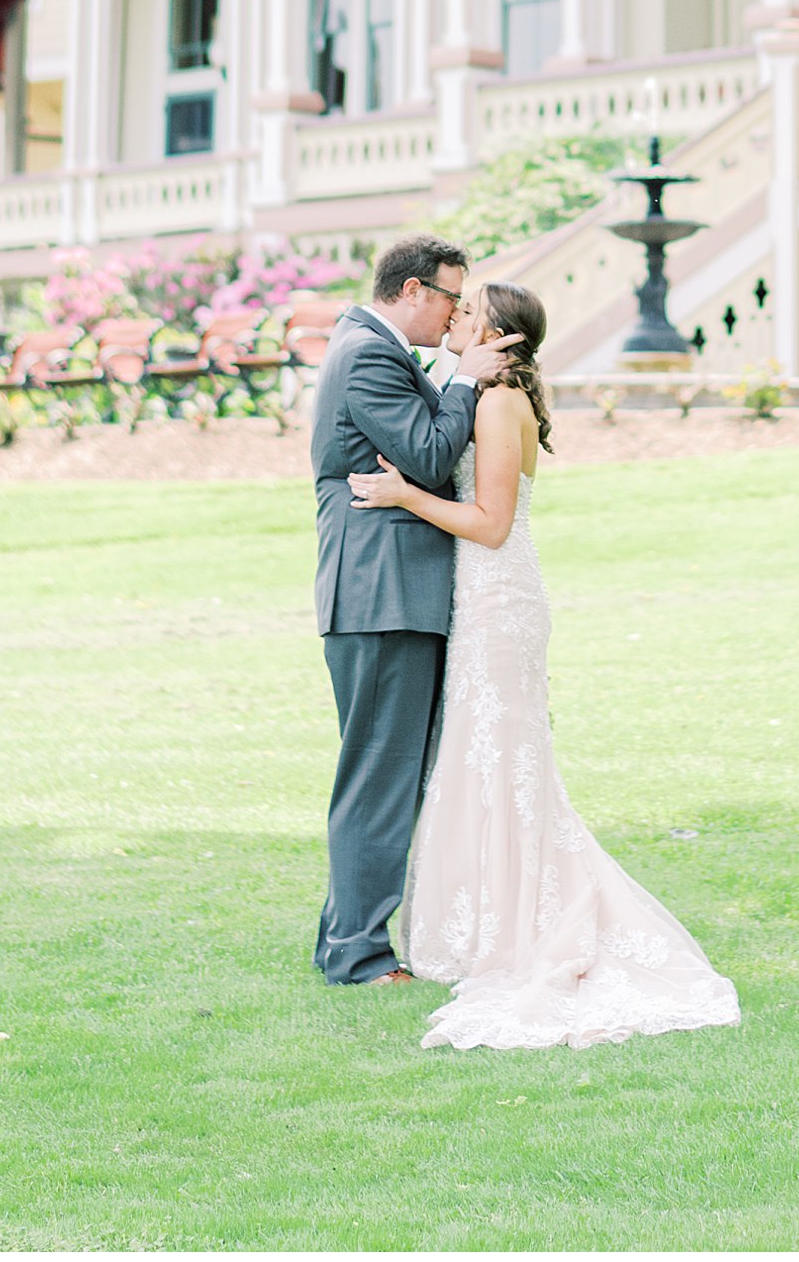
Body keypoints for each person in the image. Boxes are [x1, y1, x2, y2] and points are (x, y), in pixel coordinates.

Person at [348, 279, 742, 1053]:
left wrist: (403, 494)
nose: (455, 320)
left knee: (503, 758)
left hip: (498, 599)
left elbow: (490, 525)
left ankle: (518, 924)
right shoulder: (489, 398)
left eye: (468, 313)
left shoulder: (497, 406)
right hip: (489, 600)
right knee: (489, 756)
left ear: (501, 336)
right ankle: (489, 916)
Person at [309, 235, 518, 986]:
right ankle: (360, 956)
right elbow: (429, 455)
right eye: (450, 298)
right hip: (383, 594)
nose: (456, 311)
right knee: (381, 775)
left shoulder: (369, 347)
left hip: (388, 593)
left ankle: (345, 941)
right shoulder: (369, 353)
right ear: (410, 291)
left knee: (383, 772)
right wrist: (464, 379)